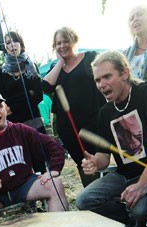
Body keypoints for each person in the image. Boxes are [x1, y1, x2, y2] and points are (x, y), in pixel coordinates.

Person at [75, 51, 147, 227]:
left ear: (125, 73)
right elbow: (104, 156)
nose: (101, 84)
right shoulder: (105, 112)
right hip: (124, 174)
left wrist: (143, 184)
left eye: (107, 77)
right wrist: (96, 163)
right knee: (84, 200)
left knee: (139, 209)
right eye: (97, 80)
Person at [0, 91, 68, 227]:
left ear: (6, 109)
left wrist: (54, 169)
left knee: (55, 185)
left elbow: (53, 146)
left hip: (24, 185)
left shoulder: (20, 130)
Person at [42, 27, 106, 187]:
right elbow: (46, 87)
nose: (62, 46)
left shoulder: (89, 57)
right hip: (68, 126)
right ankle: (91, 196)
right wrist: (60, 62)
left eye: (65, 41)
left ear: (74, 41)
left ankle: (101, 192)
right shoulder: (56, 69)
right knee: (82, 162)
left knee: (96, 158)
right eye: (58, 43)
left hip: (93, 121)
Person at [0, 31, 46, 134]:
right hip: (15, 125)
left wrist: (13, 104)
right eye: (8, 42)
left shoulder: (31, 66)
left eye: (15, 41)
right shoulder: (1, 72)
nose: (12, 44)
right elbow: (4, 101)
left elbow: (38, 96)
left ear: (21, 44)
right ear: (5, 48)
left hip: (35, 121)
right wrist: (29, 94)